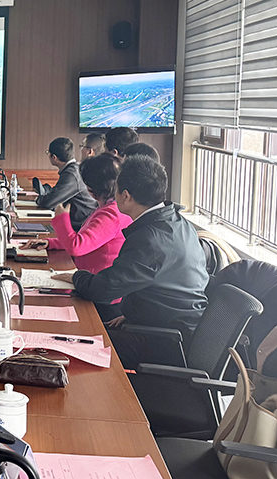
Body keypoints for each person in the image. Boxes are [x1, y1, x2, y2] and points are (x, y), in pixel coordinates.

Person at [54, 156, 208, 369]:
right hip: (167, 324)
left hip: (167, 341)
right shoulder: (176, 221)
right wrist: (132, 316)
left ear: (126, 196)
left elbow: (102, 289)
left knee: (78, 342)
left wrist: (76, 276)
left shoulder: (150, 239)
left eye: (116, 190)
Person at [24, 155, 132, 321]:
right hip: (89, 283)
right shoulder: (108, 207)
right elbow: (88, 239)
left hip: (100, 295)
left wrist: (61, 219)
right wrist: (51, 243)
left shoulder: (111, 214)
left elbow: (77, 246)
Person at [34, 137, 98, 231]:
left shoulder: (72, 174)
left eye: (48, 153)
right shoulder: (73, 169)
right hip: (76, 223)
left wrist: (38, 199)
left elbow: (48, 202)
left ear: (54, 157)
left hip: (80, 227)